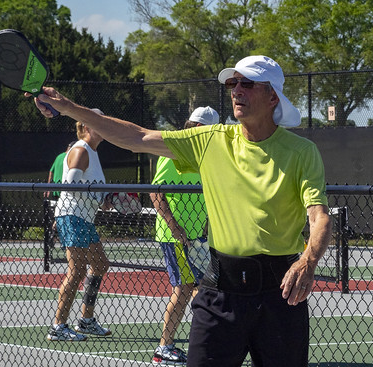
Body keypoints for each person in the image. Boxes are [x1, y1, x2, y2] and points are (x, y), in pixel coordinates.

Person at [30, 55, 332, 366]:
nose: (236, 90)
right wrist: (69, 108)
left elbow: (319, 216)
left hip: (281, 293)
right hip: (220, 292)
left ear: (273, 96)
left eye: (247, 83)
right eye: (233, 83)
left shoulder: (301, 152)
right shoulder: (211, 140)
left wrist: (308, 261)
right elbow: (137, 137)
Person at [150, 106, 219, 365]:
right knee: (184, 288)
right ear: (197, 128)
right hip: (174, 236)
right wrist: (175, 227)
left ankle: (207, 342)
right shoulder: (173, 152)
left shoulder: (205, 155)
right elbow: (156, 192)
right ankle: (164, 347)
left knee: (204, 289)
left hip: (198, 238)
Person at [46, 109, 113, 341]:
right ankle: (58, 326)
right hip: (72, 216)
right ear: (85, 127)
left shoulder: (93, 152)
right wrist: (96, 197)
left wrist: (102, 201)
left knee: (100, 264)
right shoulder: (80, 150)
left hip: (84, 218)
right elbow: (70, 185)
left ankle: (86, 320)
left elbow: (88, 189)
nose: (102, 125)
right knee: (77, 271)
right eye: (97, 122)